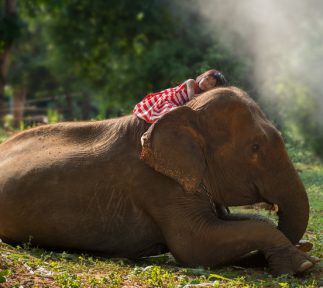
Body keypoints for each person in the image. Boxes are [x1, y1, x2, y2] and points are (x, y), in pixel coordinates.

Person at [133, 69, 227, 123]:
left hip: (177, 105)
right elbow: (191, 100)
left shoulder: (202, 95)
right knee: (172, 113)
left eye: (211, 84)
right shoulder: (191, 82)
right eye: (206, 79)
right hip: (169, 101)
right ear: (202, 77)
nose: (206, 83)